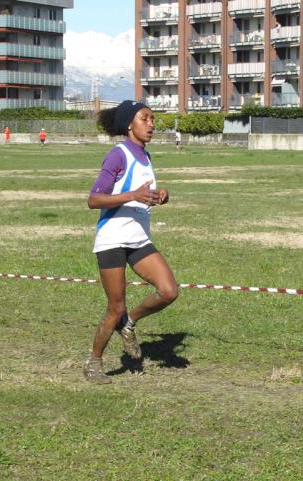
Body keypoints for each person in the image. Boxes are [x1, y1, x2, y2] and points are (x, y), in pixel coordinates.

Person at [83, 100, 179, 384]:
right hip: (112, 239)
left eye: (152, 119)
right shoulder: (118, 155)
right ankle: (94, 362)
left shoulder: (146, 156)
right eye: (145, 119)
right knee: (115, 306)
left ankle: (129, 323)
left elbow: (144, 192)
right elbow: (93, 199)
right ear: (129, 124)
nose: (151, 124)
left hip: (138, 239)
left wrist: (162, 195)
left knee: (169, 291)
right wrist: (133, 196)